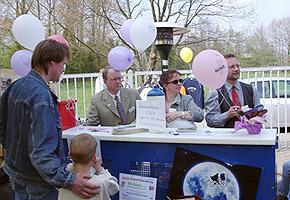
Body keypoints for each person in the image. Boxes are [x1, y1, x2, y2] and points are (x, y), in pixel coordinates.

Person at [0, 39, 100, 199]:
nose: (63, 70)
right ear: (52, 63)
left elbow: (3, 128)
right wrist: (70, 180)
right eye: (64, 64)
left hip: (17, 174)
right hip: (38, 182)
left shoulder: (17, 86)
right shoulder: (41, 97)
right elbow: (41, 152)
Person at [205, 53, 261, 128]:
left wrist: (256, 119)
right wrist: (227, 115)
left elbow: (260, 114)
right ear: (223, 70)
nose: (236, 69)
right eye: (232, 67)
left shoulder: (251, 90)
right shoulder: (215, 93)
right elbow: (210, 121)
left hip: (248, 136)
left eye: (237, 66)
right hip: (226, 138)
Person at [58, 133, 119, 200]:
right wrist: (100, 170)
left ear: (69, 155)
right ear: (94, 158)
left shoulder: (62, 178)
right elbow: (115, 187)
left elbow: (69, 167)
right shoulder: (100, 182)